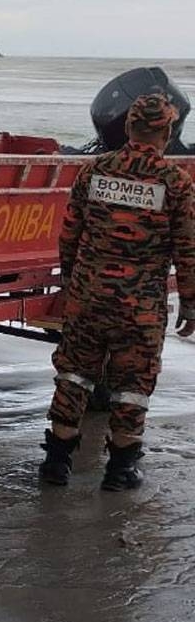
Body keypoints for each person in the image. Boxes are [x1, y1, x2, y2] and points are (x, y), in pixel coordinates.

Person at [38, 93, 195, 491]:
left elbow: (69, 234)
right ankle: (121, 470)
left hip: (88, 298)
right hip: (139, 307)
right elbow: (188, 250)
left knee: (73, 374)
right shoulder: (175, 182)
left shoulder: (95, 171)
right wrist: (191, 304)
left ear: (128, 127)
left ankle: (56, 464)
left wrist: (73, 280)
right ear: (169, 132)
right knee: (133, 385)